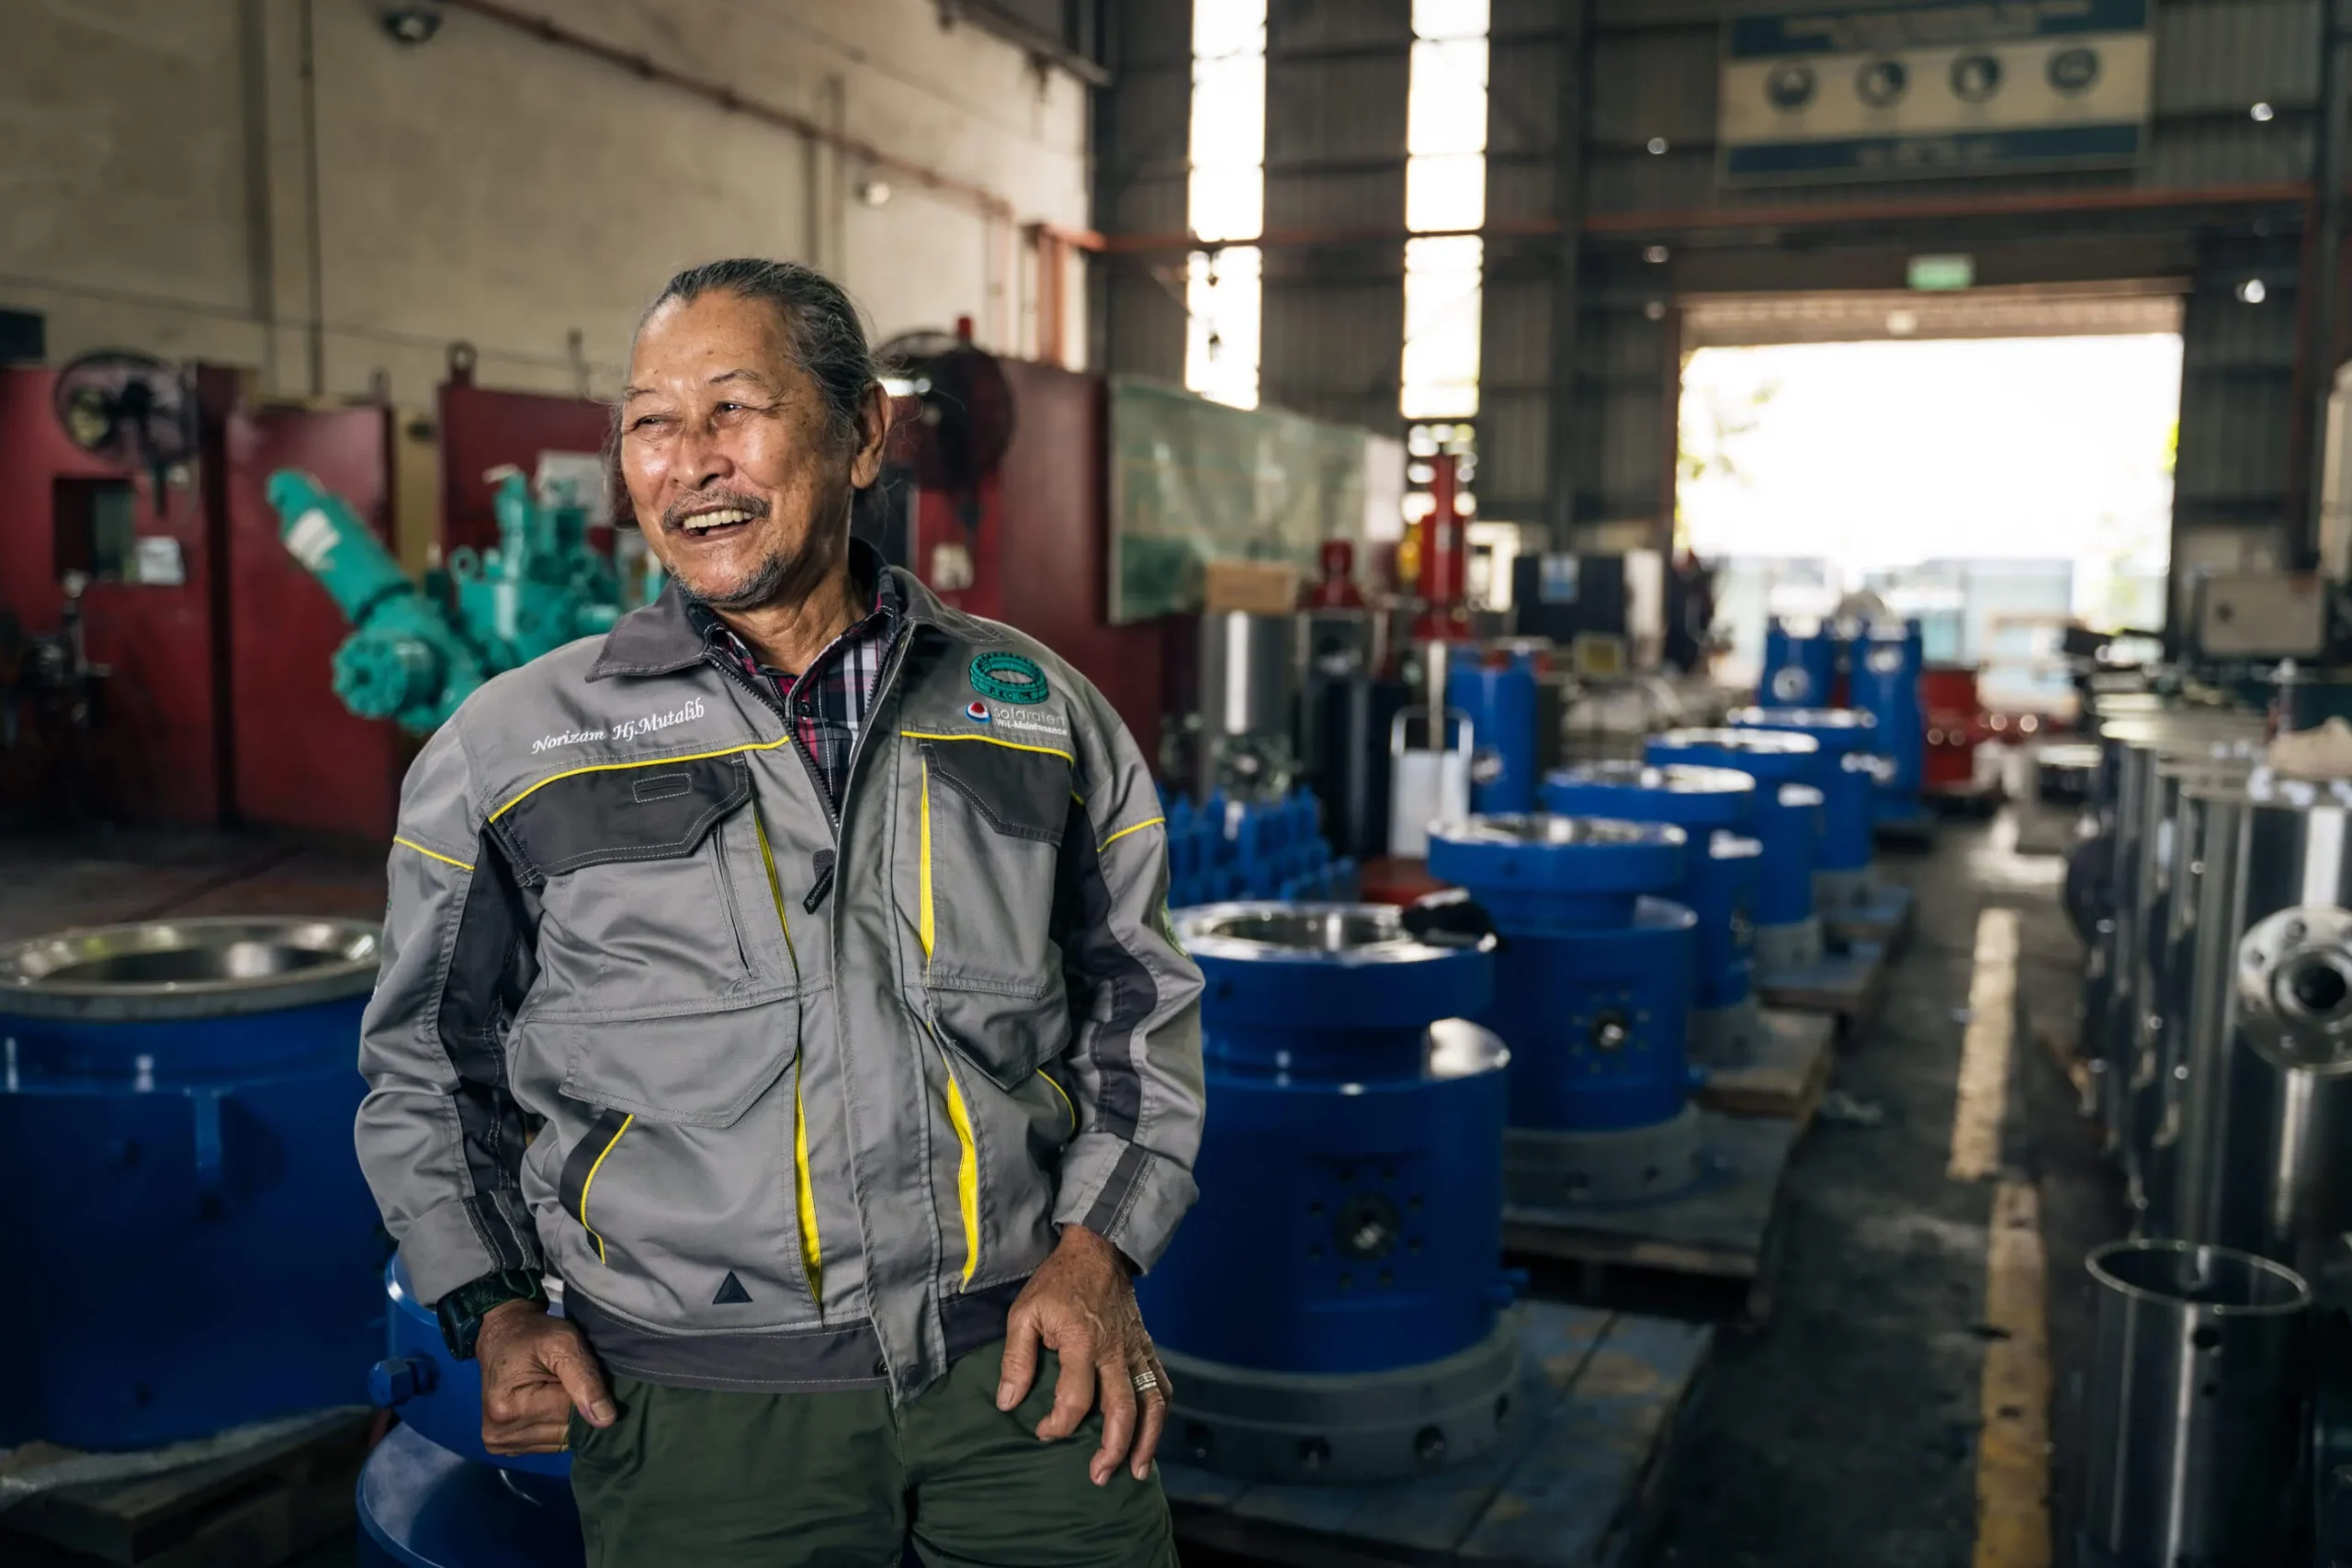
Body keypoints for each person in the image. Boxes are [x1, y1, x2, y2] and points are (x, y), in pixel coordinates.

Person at [355, 257, 1206, 1566]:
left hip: (1027, 1366)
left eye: (733, 410)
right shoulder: (512, 746)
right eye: (651, 423)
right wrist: (494, 1303)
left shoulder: (1036, 711)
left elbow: (1141, 1009)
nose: (690, 461)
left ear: (861, 433)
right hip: (696, 1404)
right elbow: (423, 1057)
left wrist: (1101, 1256)